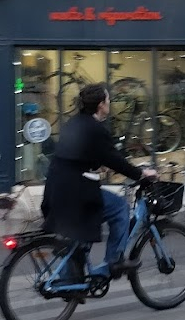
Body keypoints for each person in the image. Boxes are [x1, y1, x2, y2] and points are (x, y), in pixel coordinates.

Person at [41, 83, 156, 278]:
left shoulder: (74, 123)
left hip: (56, 188)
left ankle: (70, 281)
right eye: (108, 100)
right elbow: (114, 159)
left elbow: (77, 153)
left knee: (79, 233)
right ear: (101, 105)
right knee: (120, 208)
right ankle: (114, 262)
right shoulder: (96, 129)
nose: (109, 103)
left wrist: (95, 164)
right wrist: (141, 175)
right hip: (76, 191)